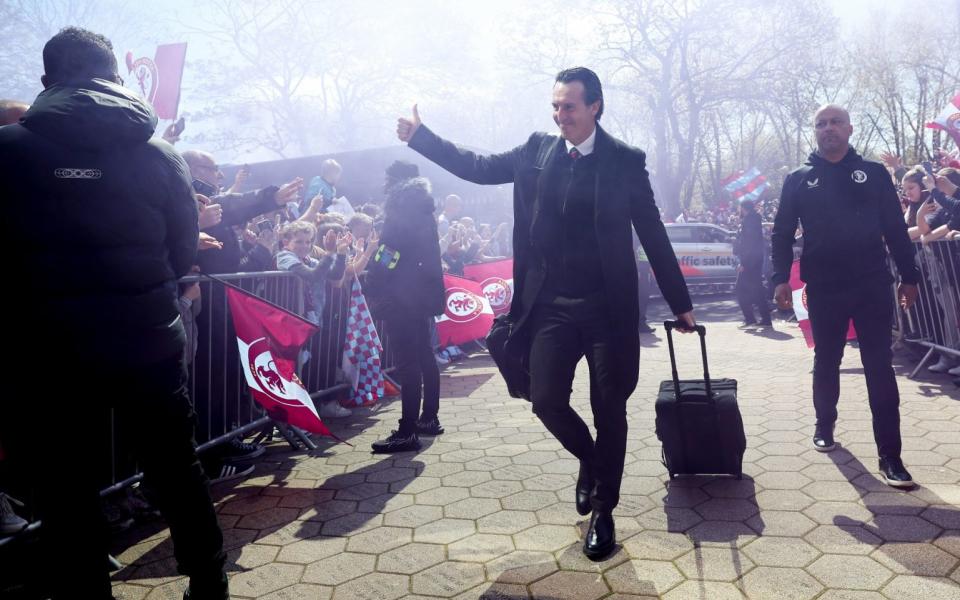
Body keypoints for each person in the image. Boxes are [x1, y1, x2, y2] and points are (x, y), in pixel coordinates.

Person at [396, 67, 695, 559]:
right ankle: (591, 461)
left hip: (607, 308)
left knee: (609, 407)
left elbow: (653, 232)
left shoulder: (624, 161)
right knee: (546, 400)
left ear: (595, 106)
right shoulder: (536, 149)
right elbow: (478, 164)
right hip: (550, 304)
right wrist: (423, 139)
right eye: (555, 107)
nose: (560, 117)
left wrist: (680, 303)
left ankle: (604, 511)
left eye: (569, 107)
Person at [0, 27, 227, 598]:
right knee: (177, 469)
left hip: (49, 349)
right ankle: (208, 583)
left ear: (48, 81)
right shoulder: (161, 156)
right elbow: (181, 252)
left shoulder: (9, 151)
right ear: (117, 79)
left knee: (65, 484)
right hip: (148, 339)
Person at [771, 104, 920, 488]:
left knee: (879, 366)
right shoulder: (798, 178)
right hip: (824, 285)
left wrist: (910, 274)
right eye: (821, 123)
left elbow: (894, 227)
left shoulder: (871, 174)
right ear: (815, 131)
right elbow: (783, 232)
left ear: (850, 129)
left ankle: (891, 456)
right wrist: (779, 278)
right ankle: (824, 424)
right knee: (827, 358)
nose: (828, 128)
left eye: (836, 122)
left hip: (871, 282)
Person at [365, 161, 446, 453]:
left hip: (401, 295)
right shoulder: (425, 208)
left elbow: (389, 252)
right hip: (421, 294)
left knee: (408, 363)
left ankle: (407, 431)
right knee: (425, 355)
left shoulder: (400, 208)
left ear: (394, 180)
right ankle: (429, 418)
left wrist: (373, 276)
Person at [735, 199, 772, 328]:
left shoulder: (749, 220)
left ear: (743, 208)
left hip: (750, 261)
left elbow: (748, 243)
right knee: (757, 289)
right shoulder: (753, 219)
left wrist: (743, 263)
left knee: (740, 289)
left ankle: (751, 319)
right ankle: (764, 319)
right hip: (755, 260)